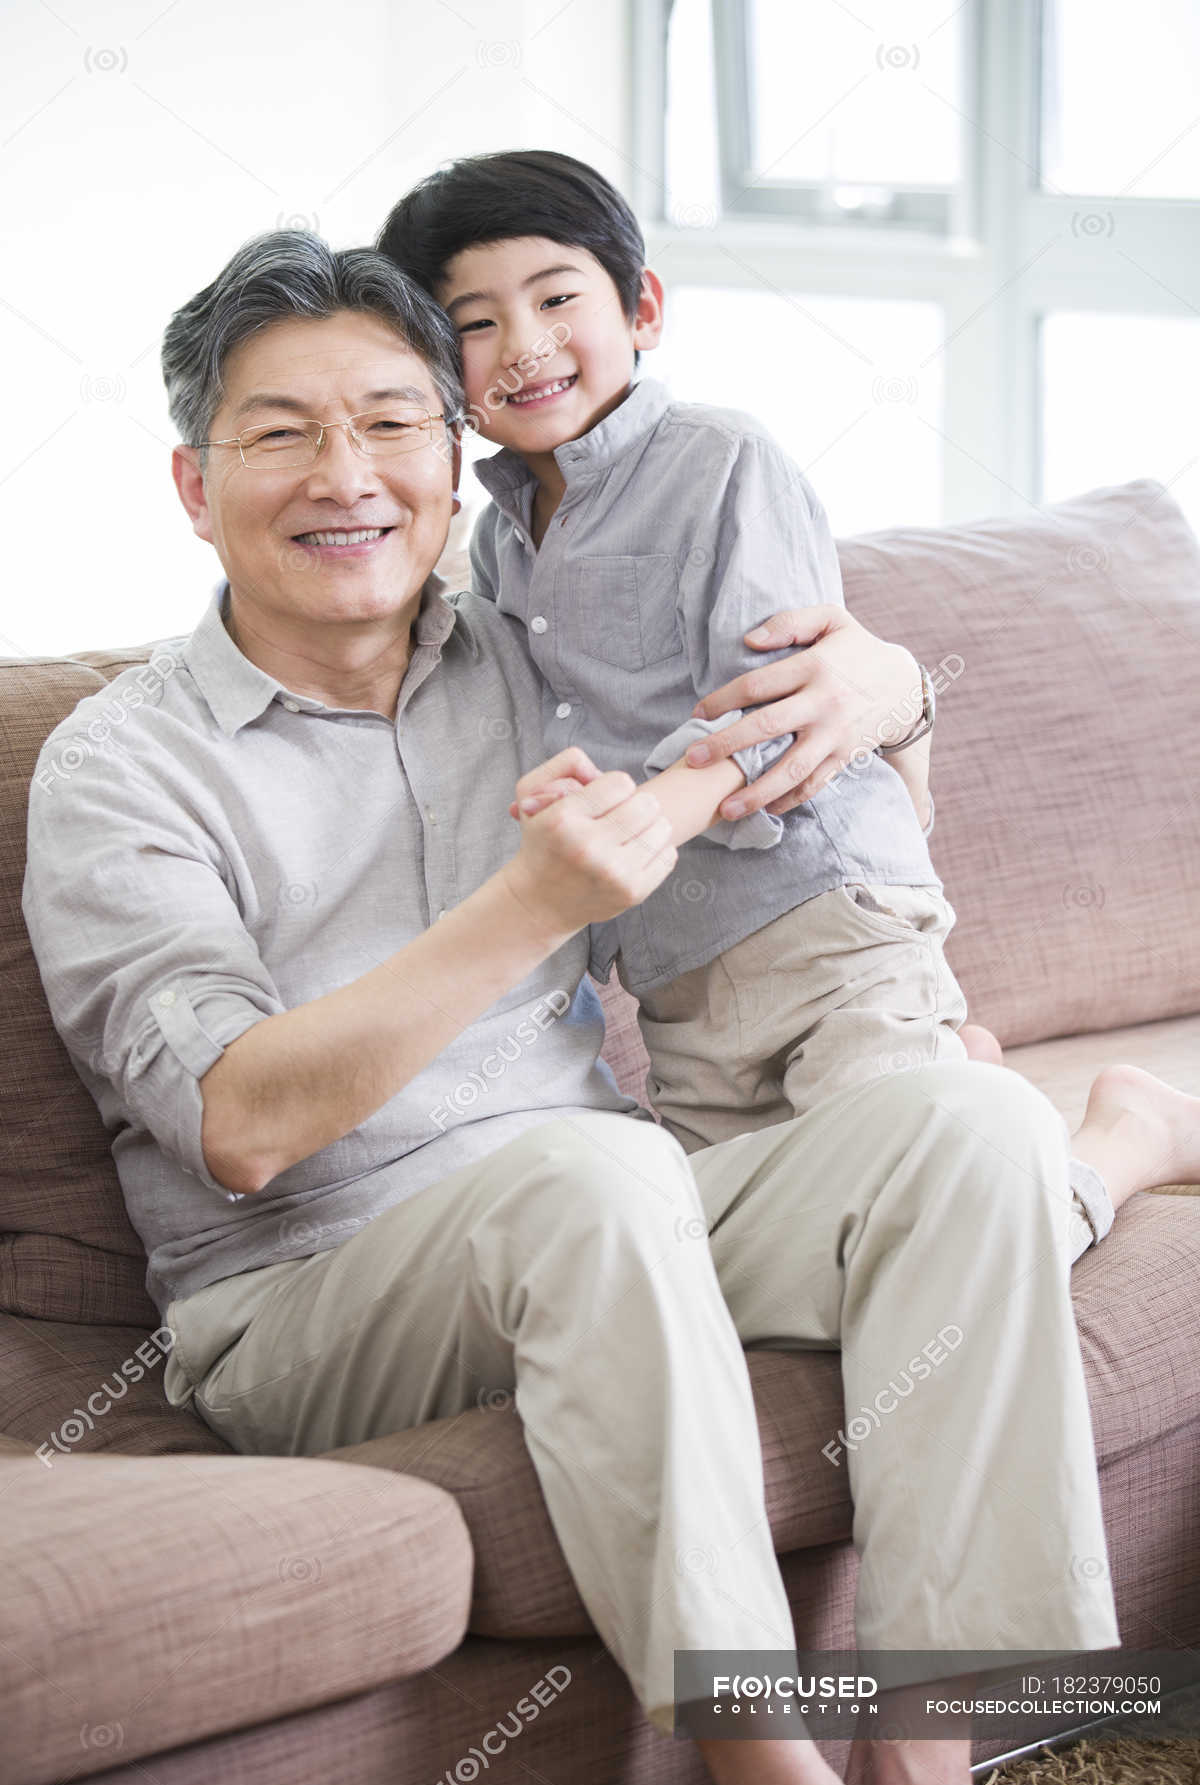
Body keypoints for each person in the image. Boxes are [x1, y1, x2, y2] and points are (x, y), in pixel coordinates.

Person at [24, 230, 1200, 1785]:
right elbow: (238, 1124)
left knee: (964, 1124)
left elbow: (831, 792)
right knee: (591, 1178)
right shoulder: (122, 768)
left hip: (633, 1216)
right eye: (282, 432)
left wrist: (893, 691)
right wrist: (530, 903)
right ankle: (763, 1768)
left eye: (389, 423)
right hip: (312, 1297)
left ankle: (926, 1752)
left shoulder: (530, 654)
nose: (346, 474)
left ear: (454, 462)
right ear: (194, 483)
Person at [377, 151, 1020, 1164]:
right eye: (475, 322)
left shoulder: (722, 460)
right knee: (732, 1239)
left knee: (916, 1194)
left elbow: (773, 717)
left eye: (556, 298)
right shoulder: (499, 538)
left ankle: (1115, 1137)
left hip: (819, 914)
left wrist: (629, 829)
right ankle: (971, 1077)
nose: (526, 345)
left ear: (642, 310)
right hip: (673, 971)